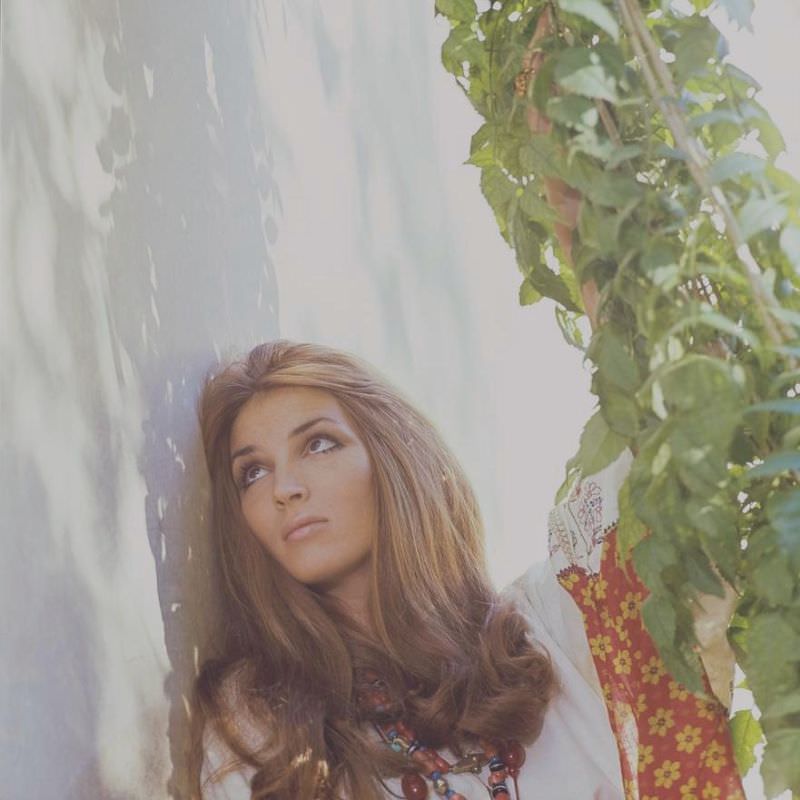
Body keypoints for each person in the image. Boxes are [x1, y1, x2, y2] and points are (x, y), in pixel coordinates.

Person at [190, 339, 744, 800]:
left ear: (395, 458)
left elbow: (665, 489)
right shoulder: (265, 728)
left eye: (317, 443)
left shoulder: (543, 635)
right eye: (253, 473)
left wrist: (620, 304)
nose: (285, 488)